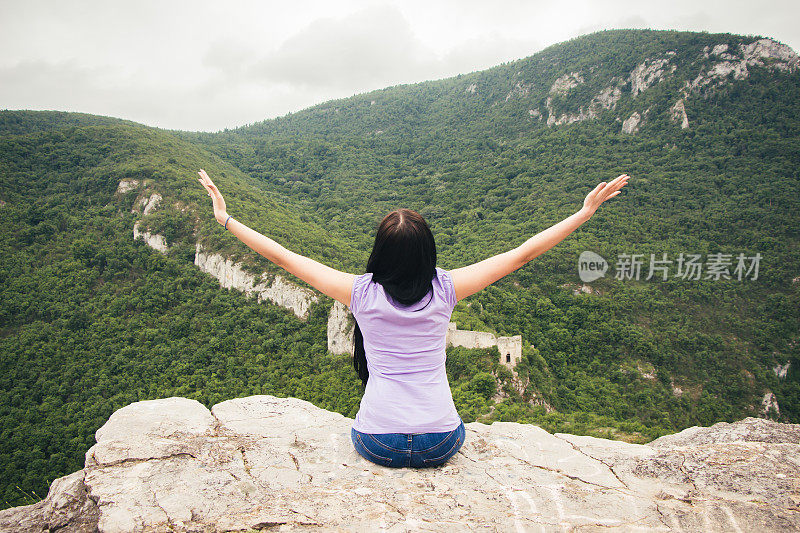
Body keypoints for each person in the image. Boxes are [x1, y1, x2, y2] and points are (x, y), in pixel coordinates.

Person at [197, 169, 630, 468]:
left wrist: (226, 219)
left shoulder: (359, 293)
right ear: (429, 253)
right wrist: (583, 213)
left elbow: (284, 257)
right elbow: (521, 254)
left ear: (380, 253)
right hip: (442, 441)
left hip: (376, 442)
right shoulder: (447, 289)